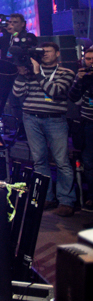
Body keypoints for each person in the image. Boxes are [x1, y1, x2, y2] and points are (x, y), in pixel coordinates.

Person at [12, 42, 76, 217]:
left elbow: (55, 91)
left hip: (55, 120)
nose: (45, 54)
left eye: (49, 51)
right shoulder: (31, 72)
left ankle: (66, 201)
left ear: (57, 53)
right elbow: (18, 93)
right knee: (39, 160)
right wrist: (22, 74)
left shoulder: (66, 73)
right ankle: (45, 197)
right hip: (31, 118)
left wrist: (37, 73)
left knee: (62, 162)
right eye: (43, 52)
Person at [69, 48, 93, 211]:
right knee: (89, 162)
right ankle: (91, 195)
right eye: (88, 59)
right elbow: (73, 98)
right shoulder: (83, 77)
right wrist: (79, 80)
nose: (91, 62)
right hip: (88, 124)